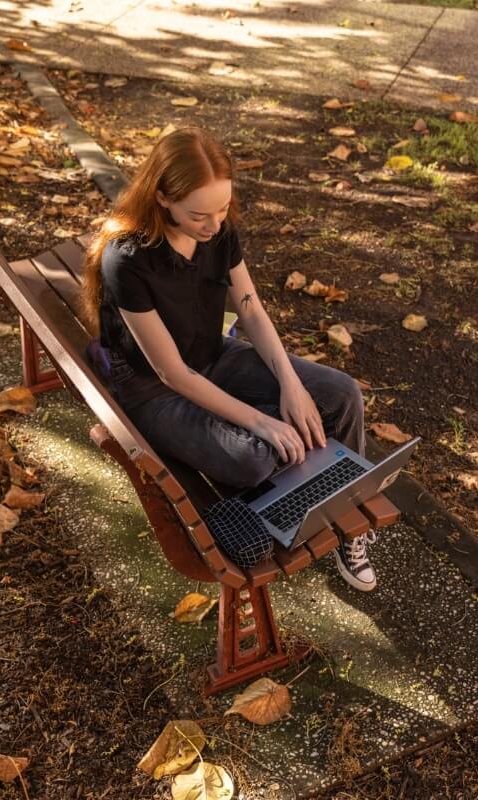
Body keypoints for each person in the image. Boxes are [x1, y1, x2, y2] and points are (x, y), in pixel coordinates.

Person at [80, 126, 378, 591]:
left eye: (222, 209)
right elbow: (171, 372)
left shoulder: (218, 233)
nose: (214, 225)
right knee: (256, 457)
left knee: (341, 394)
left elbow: (252, 311)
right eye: (200, 214)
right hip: (154, 391)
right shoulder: (129, 259)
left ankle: (346, 519)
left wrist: (291, 386)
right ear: (162, 197)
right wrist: (262, 422)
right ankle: (299, 499)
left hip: (213, 356)